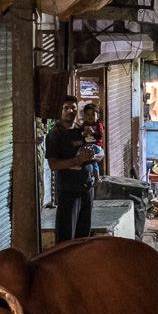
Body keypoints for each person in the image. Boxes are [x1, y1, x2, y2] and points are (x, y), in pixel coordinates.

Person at [45, 95, 100, 244]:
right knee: (67, 237)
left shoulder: (80, 131)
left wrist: (94, 164)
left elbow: (90, 148)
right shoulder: (55, 135)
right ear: (60, 110)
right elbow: (53, 164)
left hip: (87, 188)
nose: (70, 111)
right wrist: (77, 160)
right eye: (66, 108)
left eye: (73, 108)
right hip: (69, 191)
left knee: (83, 236)